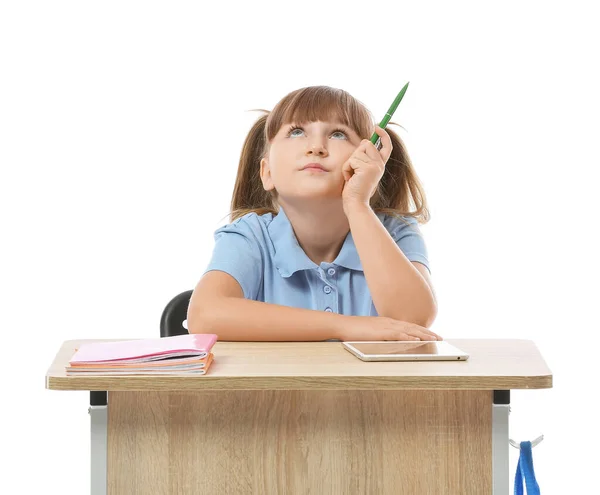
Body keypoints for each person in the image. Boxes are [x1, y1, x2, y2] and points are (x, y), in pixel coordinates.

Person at [187, 85, 441, 342]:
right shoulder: (250, 235)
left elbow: (412, 320)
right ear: (267, 173)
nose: (317, 147)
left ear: (369, 162)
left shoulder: (395, 231)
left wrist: (357, 204)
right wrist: (345, 327)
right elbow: (205, 315)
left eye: (339, 134)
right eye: (297, 132)